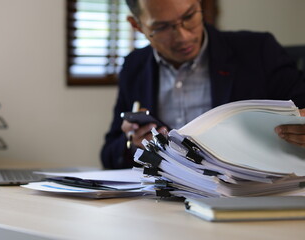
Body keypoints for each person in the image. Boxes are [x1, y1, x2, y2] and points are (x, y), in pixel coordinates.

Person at [101, 0, 305, 169]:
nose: (183, 36)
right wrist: (132, 144)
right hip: (165, 197)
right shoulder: (134, 66)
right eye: (162, 27)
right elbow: (108, 155)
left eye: (189, 17)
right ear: (137, 26)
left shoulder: (259, 51)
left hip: (248, 190)